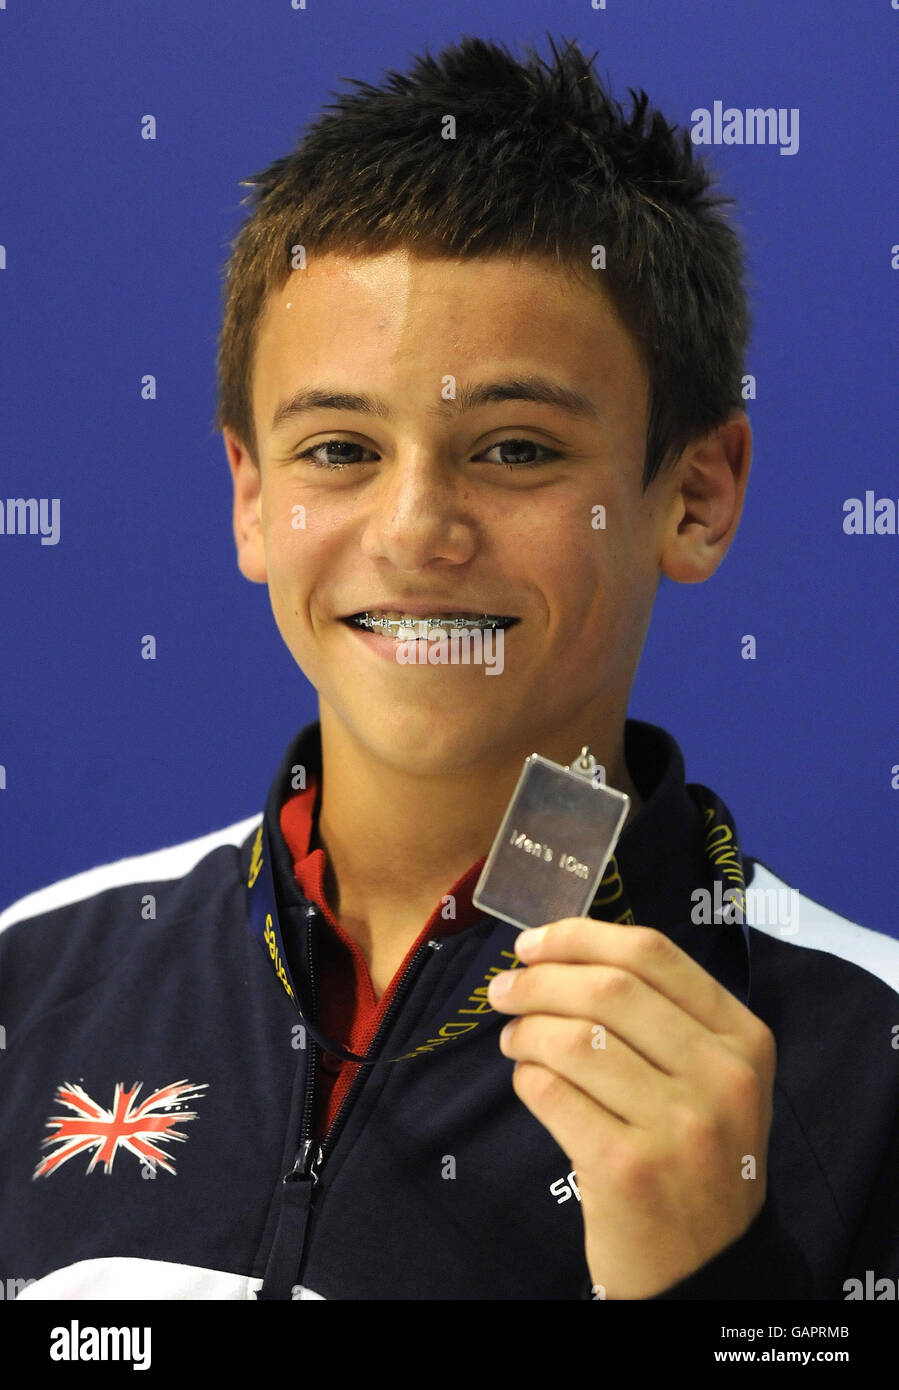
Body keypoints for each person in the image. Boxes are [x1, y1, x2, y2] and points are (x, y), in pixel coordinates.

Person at [2, 34, 898, 1303]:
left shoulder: (865, 1052)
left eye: (517, 448)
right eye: (338, 449)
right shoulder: (36, 980)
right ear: (249, 498)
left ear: (693, 494)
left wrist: (712, 1292)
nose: (417, 529)